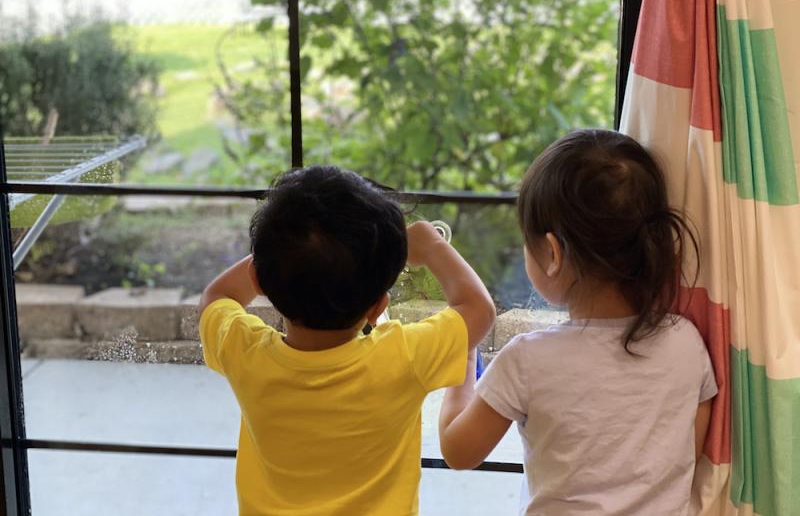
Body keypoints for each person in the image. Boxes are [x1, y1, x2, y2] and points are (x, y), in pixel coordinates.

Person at [439, 129, 717, 515]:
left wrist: (462, 354)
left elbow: (458, 451)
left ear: (552, 253)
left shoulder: (526, 360)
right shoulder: (686, 341)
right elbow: (687, 452)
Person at [198, 165, 495, 515]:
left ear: (259, 281)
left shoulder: (244, 353)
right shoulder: (402, 358)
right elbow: (478, 310)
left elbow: (216, 298)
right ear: (378, 307)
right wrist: (430, 245)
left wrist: (280, 253)